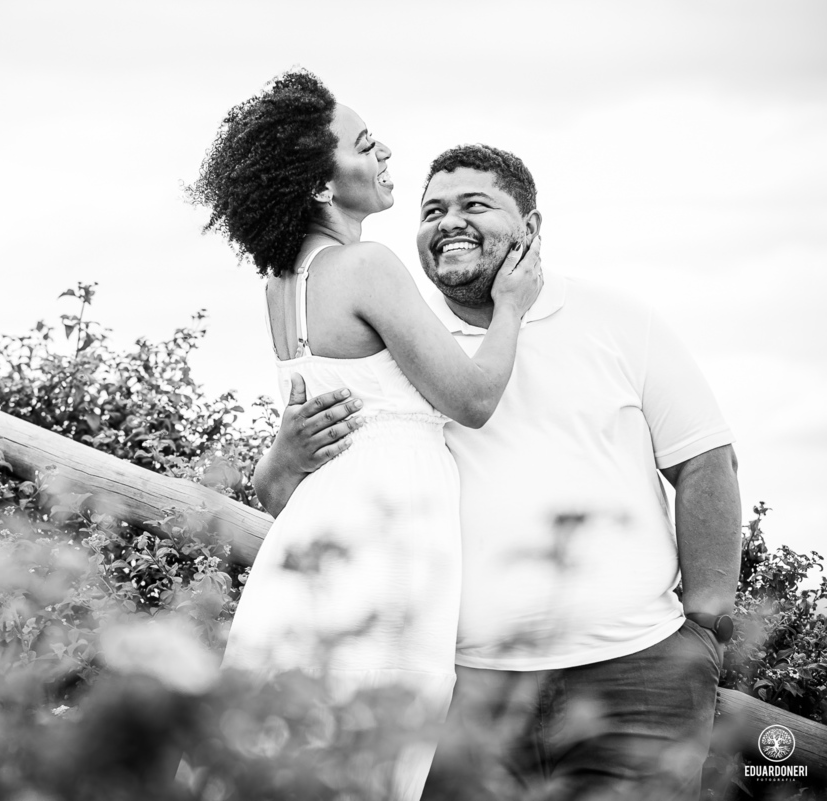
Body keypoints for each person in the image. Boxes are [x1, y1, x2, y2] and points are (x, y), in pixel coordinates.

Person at [254, 144, 742, 801]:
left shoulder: (618, 320)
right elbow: (312, 488)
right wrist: (282, 456)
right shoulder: (402, 349)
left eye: (474, 205)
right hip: (467, 689)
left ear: (531, 229)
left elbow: (705, 457)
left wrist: (706, 616)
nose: (448, 220)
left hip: (636, 671)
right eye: (432, 211)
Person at [187, 71, 542, 800]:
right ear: (323, 184)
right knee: (368, 748)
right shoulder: (366, 266)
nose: (384, 150)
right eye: (362, 142)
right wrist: (510, 306)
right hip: (385, 544)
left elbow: (295, 459)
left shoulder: (282, 286)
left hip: (320, 534)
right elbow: (473, 398)